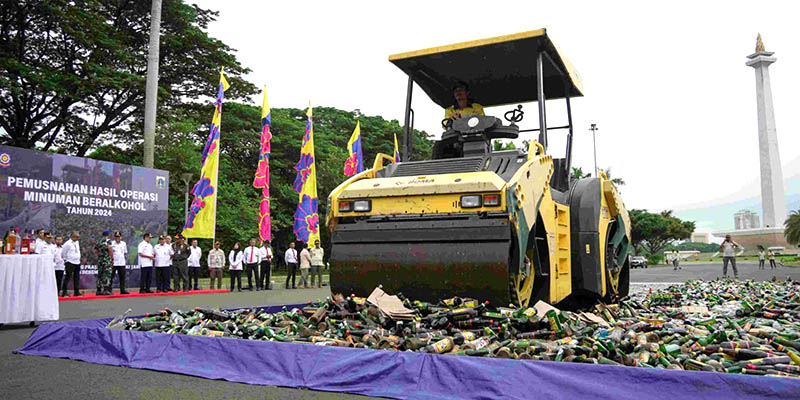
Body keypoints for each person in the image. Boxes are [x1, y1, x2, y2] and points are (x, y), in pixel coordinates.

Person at [61, 231, 82, 297]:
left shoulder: (77, 242)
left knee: (77, 277)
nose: (77, 238)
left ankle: (76, 292)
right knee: (68, 277)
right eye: (76, 237)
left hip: (77, 262)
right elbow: (63, 253)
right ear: (72, 236)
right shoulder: (67, 244)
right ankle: (64, 292)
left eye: (78, 237)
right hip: (70, 262)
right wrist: (66, 260)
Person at [94, 230, 114, 296]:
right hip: (106, 260)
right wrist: (111, 258)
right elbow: (110, 250)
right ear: (108, 235)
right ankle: (106, 290)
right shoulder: (108, 241)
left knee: (100, 275)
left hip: (100, 260)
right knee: (107, 275)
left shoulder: (99, 241)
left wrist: (99, 256)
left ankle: (98, 290)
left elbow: (95, 250)